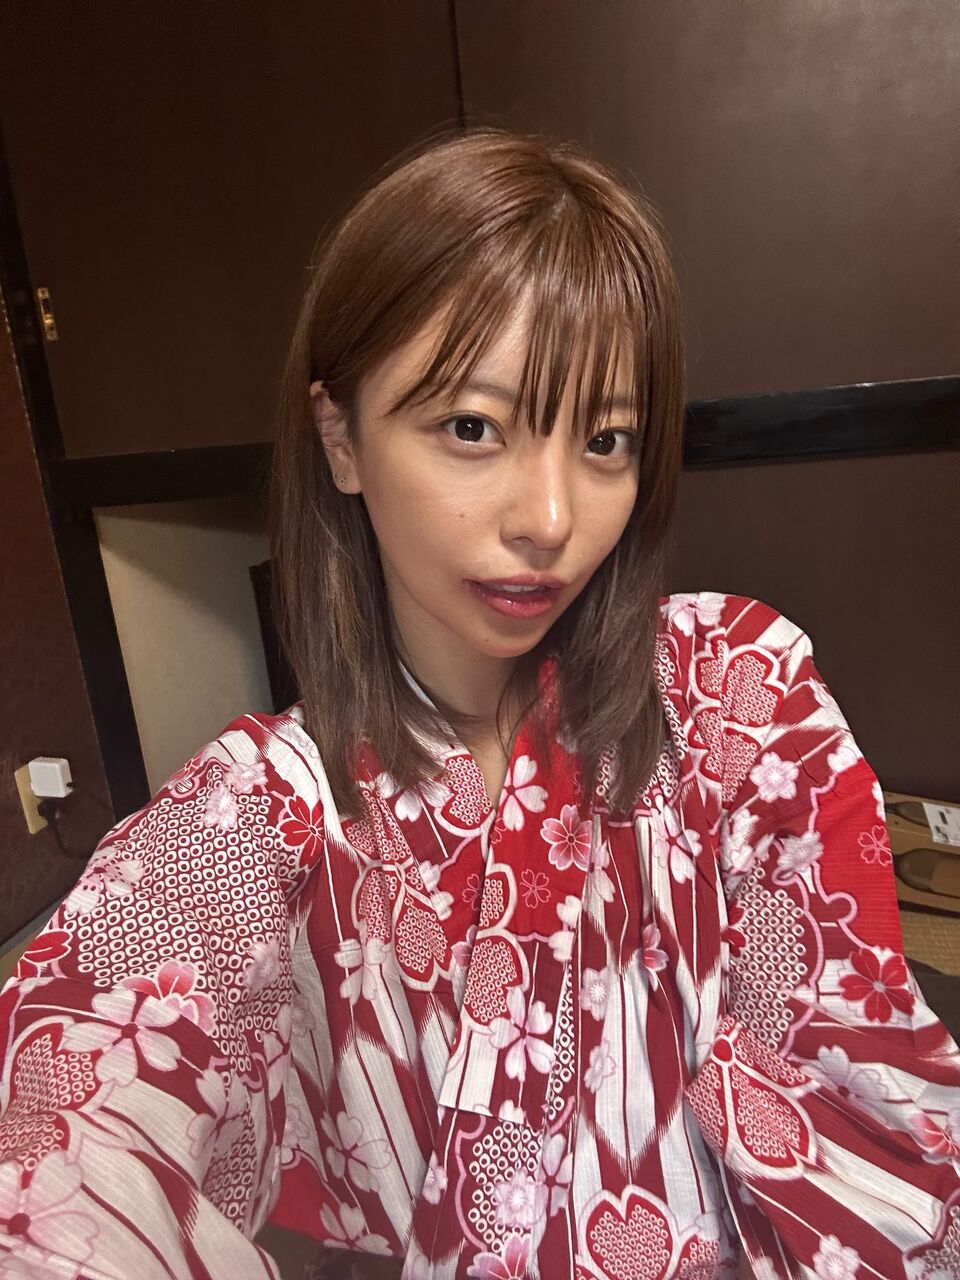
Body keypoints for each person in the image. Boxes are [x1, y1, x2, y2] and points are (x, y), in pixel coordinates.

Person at [1, 126, 958, 1280]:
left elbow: (853, 1070)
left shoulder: (732, 692)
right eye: (472, 427)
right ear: (342, 438)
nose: (550, 517)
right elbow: (68, 1107)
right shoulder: (263, 811)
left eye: (605, 439)